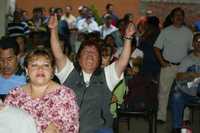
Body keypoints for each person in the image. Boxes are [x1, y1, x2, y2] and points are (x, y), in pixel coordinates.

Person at [49, 14, 135, 133]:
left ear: (99, 60)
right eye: (86, 52)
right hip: (69, 128)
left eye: (94, 53)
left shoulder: (107, 75)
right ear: (78, 58)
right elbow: (58, 54)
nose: (90, 55)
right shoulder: (69, 72)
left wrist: (128, 38)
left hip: (100, 129)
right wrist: (53, 30)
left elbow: (123, 62)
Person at [5, 48, 79, 133]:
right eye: (34, 65)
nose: (40, 69)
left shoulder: (65, 95)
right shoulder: (14, 95)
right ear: (26, 70)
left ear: (52, 71)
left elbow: (72, 129)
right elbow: (6, 125)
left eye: (46, 65)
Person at [154, 7, 193, 122]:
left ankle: (185, 118)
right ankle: (161, 117)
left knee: (185, 92)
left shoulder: (188, 32)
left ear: (183, 17)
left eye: (181, 15)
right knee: (163, 92)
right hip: (168, 66)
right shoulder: (165, 31)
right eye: (176, 15)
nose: (179, 17)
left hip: (183, 68)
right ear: (172, 18)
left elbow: (192, 50)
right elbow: (156, 48)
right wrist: (162, 62)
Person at [170, 32, 200, 133]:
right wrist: (191, 74)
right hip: (191, 92)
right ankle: (176, 128)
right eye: (197, 41)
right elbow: (178, 77)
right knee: (177, 95)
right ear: (193, 43)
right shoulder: (187, 59)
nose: (199, 43)